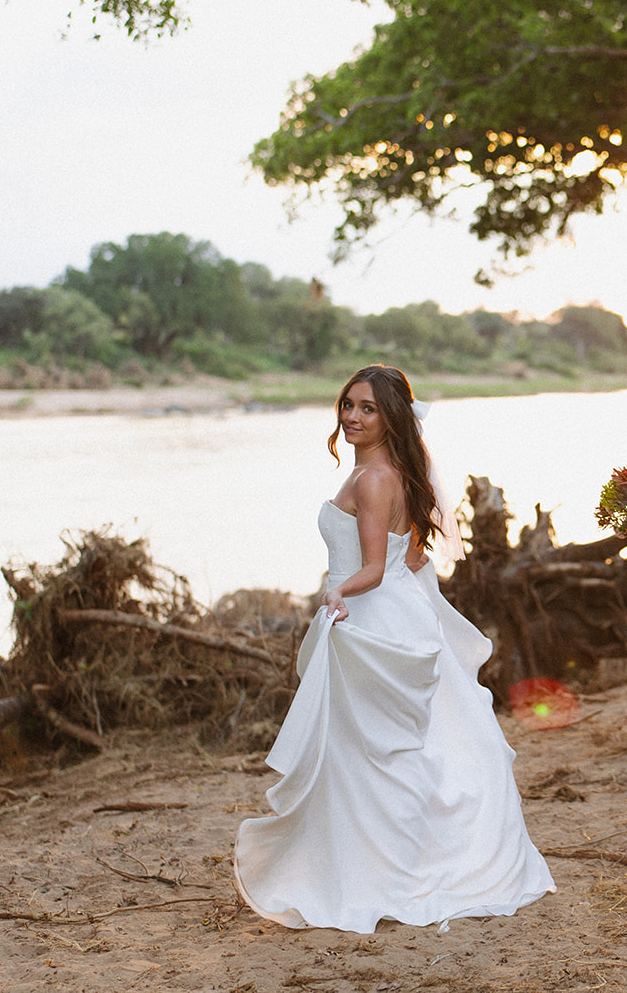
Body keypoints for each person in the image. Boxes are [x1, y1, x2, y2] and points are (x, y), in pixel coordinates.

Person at [234, 365, 554, 933]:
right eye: (349, 405)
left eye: (367, 409)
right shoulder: (388, 472)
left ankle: (392, 872)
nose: (352, 417)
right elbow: (411, 558)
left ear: (390, 418)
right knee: (375, 750)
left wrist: (338, 590)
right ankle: (374, 863)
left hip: (369, 615)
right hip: (386, 614)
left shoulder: (375, 479)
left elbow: (376, 569)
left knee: (381, 753)